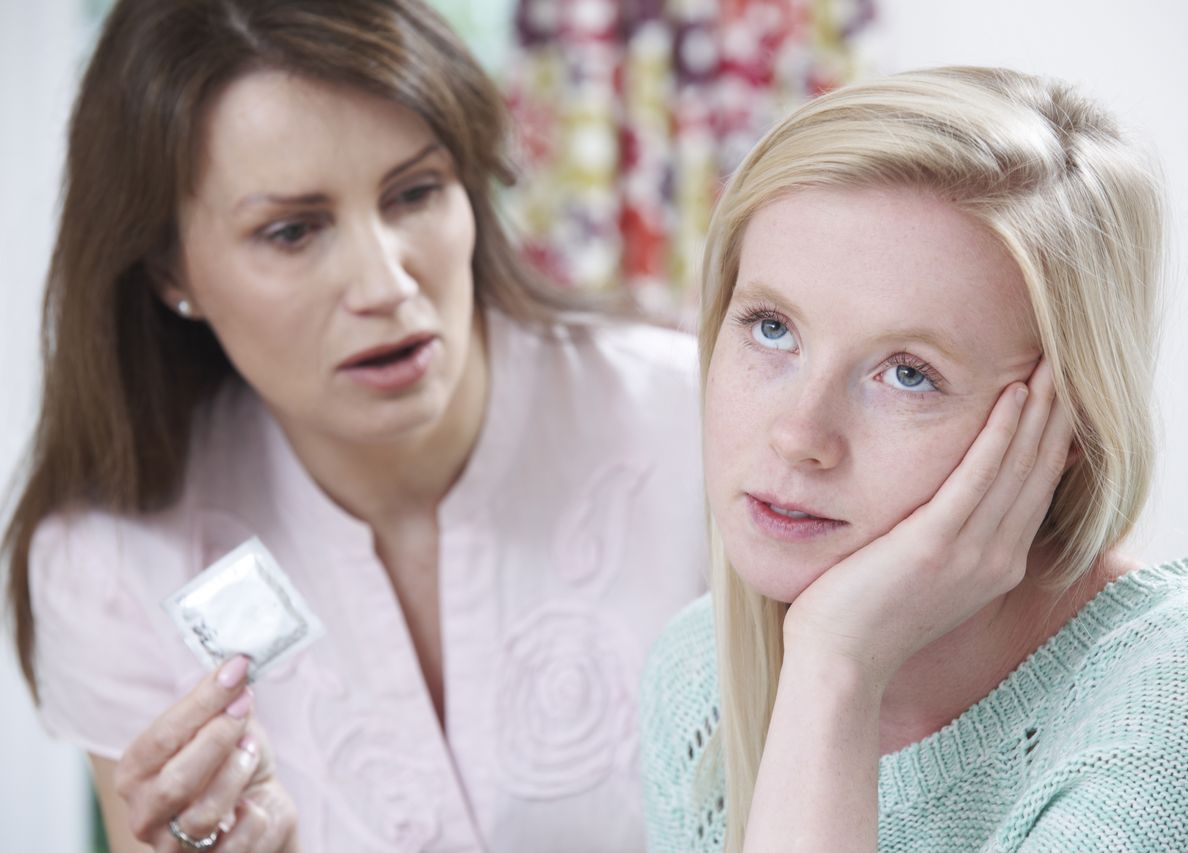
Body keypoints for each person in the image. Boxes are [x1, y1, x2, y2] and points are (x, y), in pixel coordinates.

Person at [3, 1, 708, 851]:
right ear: (167, 268)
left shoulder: (702, 424)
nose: (384, 284)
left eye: (415, 192)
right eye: (293, 230)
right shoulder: (107, 560)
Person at [641, 66, 1188, 852]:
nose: (799, 435)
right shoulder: (699, 674)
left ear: (1066, 428)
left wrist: (835, 673)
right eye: (772, 328)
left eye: (909, 373)